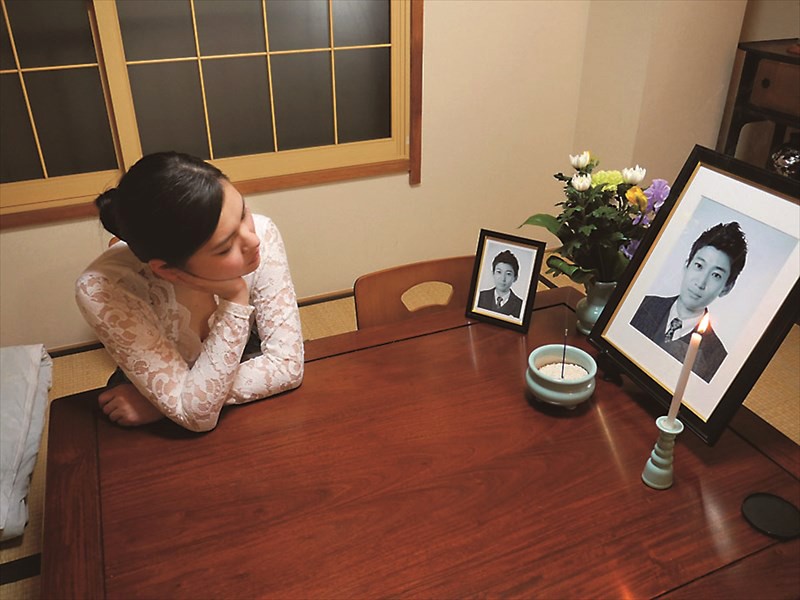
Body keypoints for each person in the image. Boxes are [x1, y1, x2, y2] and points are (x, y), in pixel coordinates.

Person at [75, 152, 304, 432]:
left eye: (243, 213)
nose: (253, 240)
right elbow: (198, 419)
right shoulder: (103, 287)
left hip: (233, 360)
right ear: (167, 269)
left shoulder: (263, 233)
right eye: (225, 247)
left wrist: (172, 404)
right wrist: (235, 296)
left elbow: (287, 366)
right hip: (153, 375)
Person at [630, 221, 748, 383]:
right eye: (699, 266)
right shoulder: (642, 305)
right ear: (687, 265)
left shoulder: (716, 357)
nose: (700, 283)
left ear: (726, 288)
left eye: (716, 275)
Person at [477, 249, 523, 318]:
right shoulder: (480, 297)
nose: (503, 279)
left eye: (508, 274)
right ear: (493, 273)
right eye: (499, 272)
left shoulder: (521, 305)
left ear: (515, 278)